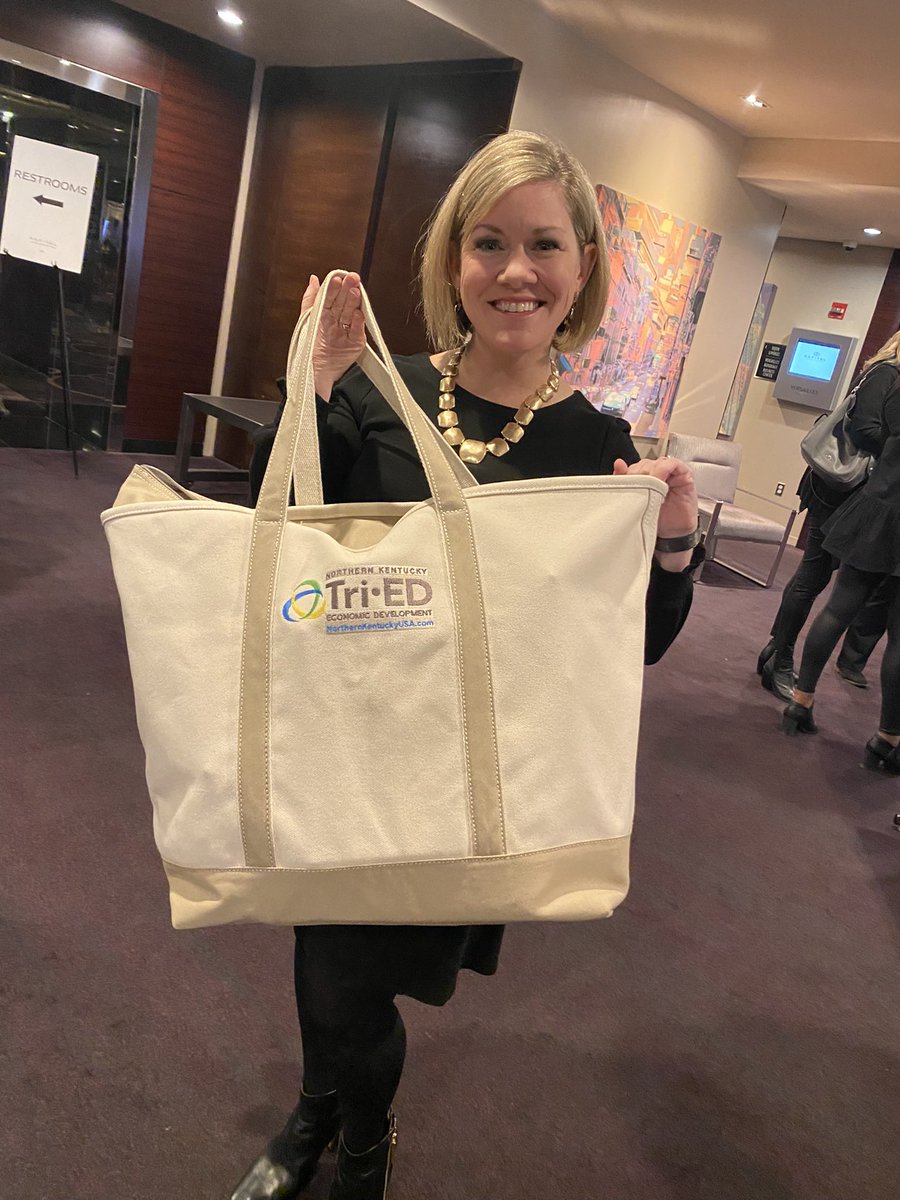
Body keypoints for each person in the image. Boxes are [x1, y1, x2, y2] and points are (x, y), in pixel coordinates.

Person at [232, 130, 701, 1200]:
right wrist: (311, 385)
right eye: (488, 242)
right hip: (348, 745)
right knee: (328, 969)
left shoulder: (597, 444)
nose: (516, 271)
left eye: (544, 244)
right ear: (454, 262)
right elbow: (276, 538)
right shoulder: (375, 390)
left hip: (469, 775)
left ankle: (354, 1136)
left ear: (583, 268)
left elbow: (626, 648)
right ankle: (330, 1121)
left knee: (360, 984)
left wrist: (670, 545)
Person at [781, 330, 900, 773]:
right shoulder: (887, 376)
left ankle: (801, 699)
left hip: (878, 507)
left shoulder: (893, 385)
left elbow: (879, 436)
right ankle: (888, 737)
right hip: (883, 508)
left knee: (838, 606)